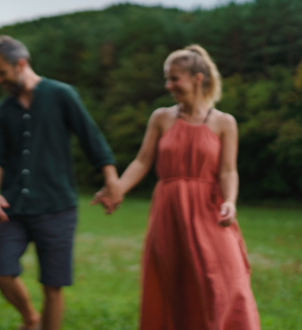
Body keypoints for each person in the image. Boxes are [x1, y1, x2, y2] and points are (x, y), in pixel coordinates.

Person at [94, 45, 260, 329]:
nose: (168, 85)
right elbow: (142, 161)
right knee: (175, 285)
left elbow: (228, 170)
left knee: (225, 280)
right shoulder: (161, 117)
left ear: (197, 78)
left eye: (174, 78)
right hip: (168, 212)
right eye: (167, 79)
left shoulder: (224, 122)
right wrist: (118, 188)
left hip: (209, 210)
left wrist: (230, 201)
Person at [0, 35, 122, 330]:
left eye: (2, 73)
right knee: (2, 272)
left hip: (57, 207)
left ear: (21, 64)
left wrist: (111, 180)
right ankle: (31, 318)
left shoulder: (61, 94)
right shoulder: (2, 111)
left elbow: (91, 137)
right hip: (14, 208)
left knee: (52, 285)